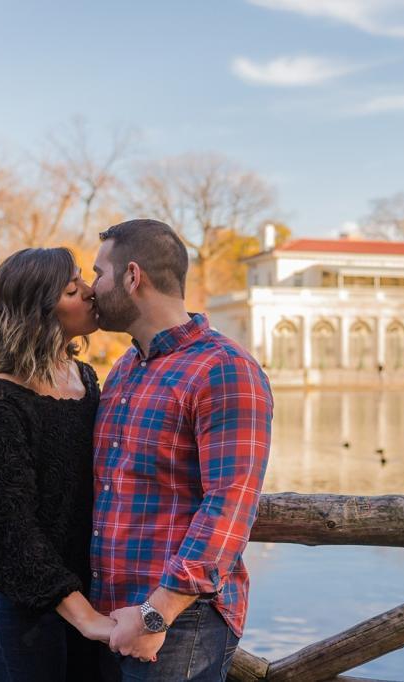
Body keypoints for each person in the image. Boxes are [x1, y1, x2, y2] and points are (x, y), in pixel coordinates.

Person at [88, 219, 273, 681]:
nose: (91, 289)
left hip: (178, 625)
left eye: (98, 273)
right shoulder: (126, 366)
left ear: (133, 277)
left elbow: (230, 505)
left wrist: (156, 614)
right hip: (108, 618)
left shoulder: (224, 370)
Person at [0, 247, 114, 681]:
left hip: (82, 594)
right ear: (39, 311)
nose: (90, 292)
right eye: (72, 288)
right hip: (13, 608)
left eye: (83, 280)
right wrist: (84, 616)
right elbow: (7, 529)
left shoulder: (84, 377)